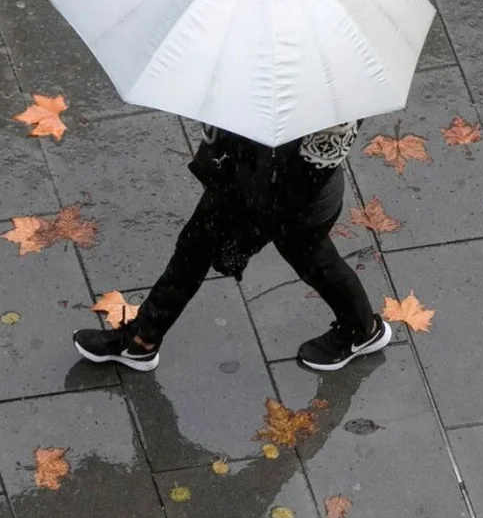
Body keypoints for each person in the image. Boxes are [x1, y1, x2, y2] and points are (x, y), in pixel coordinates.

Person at [73, 120, 391, 373]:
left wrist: (244, 241)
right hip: (245, 174)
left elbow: (300, 183)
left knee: (317, 265)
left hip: (296, 203)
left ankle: (362, 330)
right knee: (193, 247)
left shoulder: (333, 98)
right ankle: (142, 339)